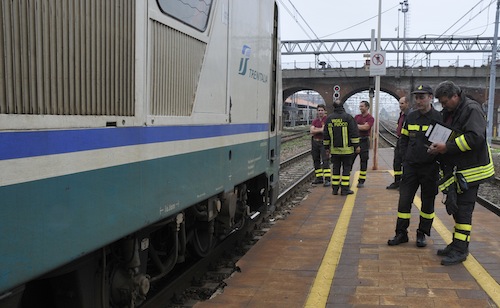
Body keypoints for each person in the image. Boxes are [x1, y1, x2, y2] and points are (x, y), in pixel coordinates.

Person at [427, 81, 494, 265]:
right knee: (457, 209)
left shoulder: (471, 109)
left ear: (455, 96)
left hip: (471, 170)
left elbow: (475, 138)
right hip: (460, 169)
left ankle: (461, 250)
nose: (443, 105)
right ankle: (457, 243)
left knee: (464, 211)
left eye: (445, 101)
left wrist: (447, 147)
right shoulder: (452, 110)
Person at [388, 84, 442, 248]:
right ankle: (401, 233)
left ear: (431, 98)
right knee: (404, 201)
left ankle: (422, 233)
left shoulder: (438, 118)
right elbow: (403, 140)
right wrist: (405, 158)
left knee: (427, 202)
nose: (418, 101)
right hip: (411, 167)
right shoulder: (410, 117)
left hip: (430, 168)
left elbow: (443, 143)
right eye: (416, 97)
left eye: (422, 97)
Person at [323, 99, 360, 195]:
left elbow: (326, 135)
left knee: (335, 169)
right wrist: (356, 146)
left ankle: (335, 189)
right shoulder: (348, 118)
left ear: (334, 107)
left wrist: (327, 148)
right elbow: (354, 133)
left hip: (334, 151)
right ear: (342, 107)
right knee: (346, 170)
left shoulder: (329, 119)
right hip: (347, 151)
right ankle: (345, 189)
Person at [387, 96, 411, 189]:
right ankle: (397, 181)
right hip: (399, 140)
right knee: (397, 161)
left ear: (407, 104)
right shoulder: (401, 114)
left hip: (406, 141)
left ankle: (404, 183)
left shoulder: (409, 115)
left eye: (402, 103)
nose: (400, 105)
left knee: (404, 162)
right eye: (399, 103)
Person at [353, 100, 374, 188]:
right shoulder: (356, 117)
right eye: (360, 106)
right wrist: (360, 126)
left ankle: (361, 181)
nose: (360, 108)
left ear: (367, 107)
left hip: (364, 141)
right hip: (355, 141)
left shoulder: (370, 118)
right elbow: (352, 127)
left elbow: (366, 127)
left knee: (364, 161)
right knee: (350, 160)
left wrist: (356, 126)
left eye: (362, 106)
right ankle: (345, 179)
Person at [310, 104, 331, 186]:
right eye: (319, 110)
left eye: (322, 110)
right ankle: (319, 178)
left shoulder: (327, 120)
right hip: (315, 142)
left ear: (325, 111)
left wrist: (316, 129)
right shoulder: (315, 120)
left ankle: (327, 179)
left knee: (325, 160)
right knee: (316, 160)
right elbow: (312, 131)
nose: (320, 112)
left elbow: (325, 130)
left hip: (324, 142)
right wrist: (320, 129)